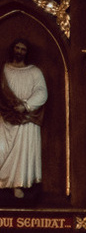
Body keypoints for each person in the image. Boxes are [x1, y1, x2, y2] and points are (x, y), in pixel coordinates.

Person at [0, 41, 45, 200]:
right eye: (17, 48)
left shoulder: (35, 72)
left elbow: (41, 93)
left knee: (21, 153)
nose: (19, 51)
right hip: (5, 116)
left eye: (23, 49)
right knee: (2, 149)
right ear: (12, 49)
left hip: (26, 119)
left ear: (27, 52)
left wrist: (26, 106)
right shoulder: (4, 69)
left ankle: (17, 184)